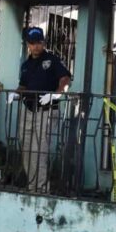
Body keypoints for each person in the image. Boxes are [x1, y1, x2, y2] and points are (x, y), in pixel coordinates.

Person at [15, 26, 71, 192]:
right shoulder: (26, 64)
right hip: (28, 109)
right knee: (26, 149)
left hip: (46, 110)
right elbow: (23, 85)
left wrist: (56, 94)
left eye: (39, 42)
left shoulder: (52, 59)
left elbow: (65, 79)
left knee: (39, 151)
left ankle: (40, 188)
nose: (36, 46)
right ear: (28, 44)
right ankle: (32, 185)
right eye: (33, 43)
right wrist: (15, 94)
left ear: (43, 42)